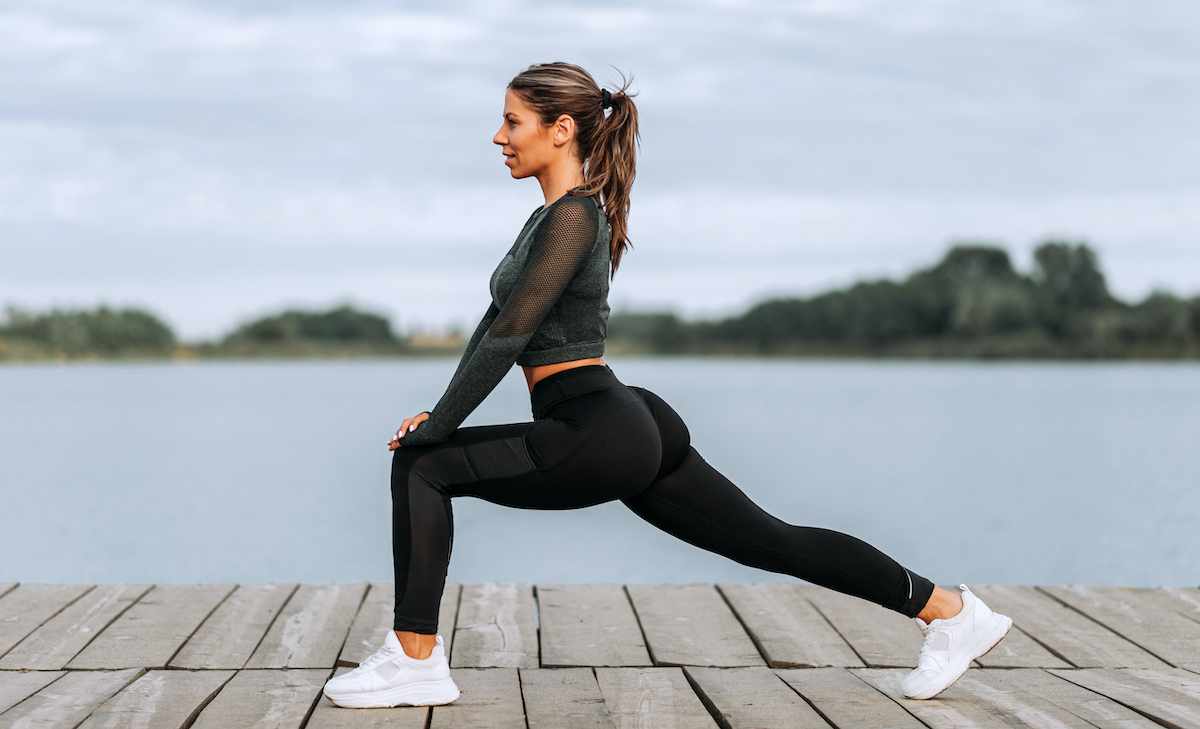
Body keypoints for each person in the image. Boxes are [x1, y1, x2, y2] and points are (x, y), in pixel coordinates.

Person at [322, 62, 1011, 709]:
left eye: (513, 121)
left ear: (560, 129)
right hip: (622, 419)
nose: (499, 136)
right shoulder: (553, 216)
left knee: (422, 465)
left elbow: (510, 337)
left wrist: (439, 427)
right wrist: (439, 410)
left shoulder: (572, 216)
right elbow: (496, 322)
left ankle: (415, 660)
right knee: (771, 538)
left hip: (594, 427)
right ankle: (950, 613)